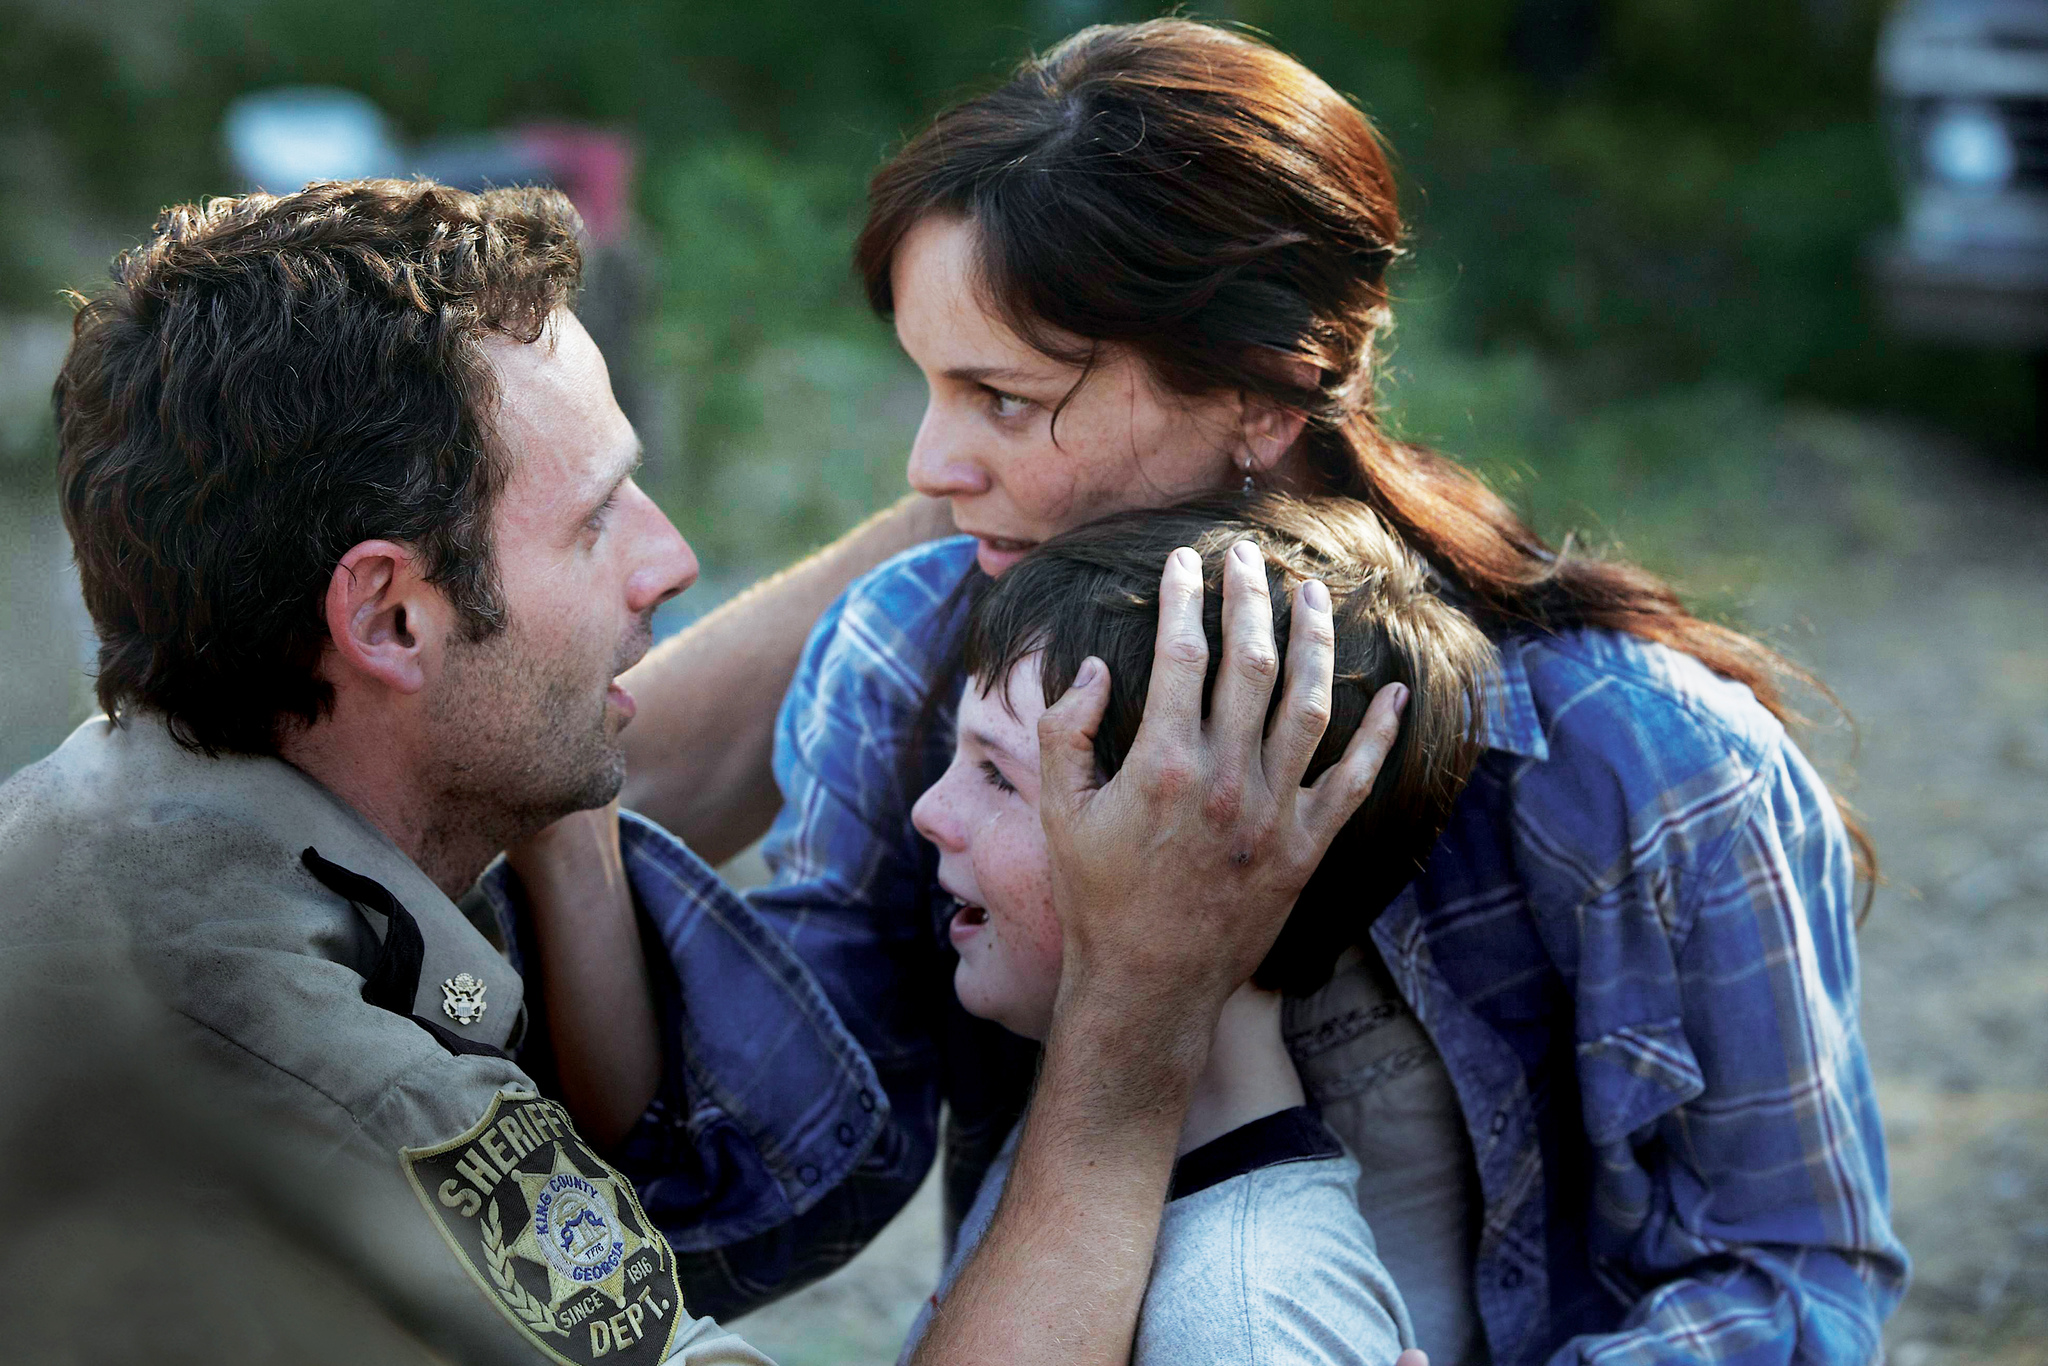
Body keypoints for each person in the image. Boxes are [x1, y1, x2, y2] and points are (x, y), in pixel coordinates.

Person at [524, 18, 1909, 1366]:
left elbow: (1791, 1272)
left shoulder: (1631, 753)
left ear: (1259, 395)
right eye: (928, 385)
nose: (932, 463)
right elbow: (769, 1190)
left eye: (1006, 398)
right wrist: (561, 799)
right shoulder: (910, 658)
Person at [0, 177, 1404, 1365]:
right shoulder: (326, 1081)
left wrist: (1014, 475)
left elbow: (598, 752)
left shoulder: (161, 804)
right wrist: (1138, 1012)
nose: (670, 560)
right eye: (601, 515)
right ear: (386, 618)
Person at [901, 494, 1497, 1365]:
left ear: (1228, 859)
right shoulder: (1072, 1155)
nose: (928, 810)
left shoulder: (1246, 1322)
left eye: (997, 777)